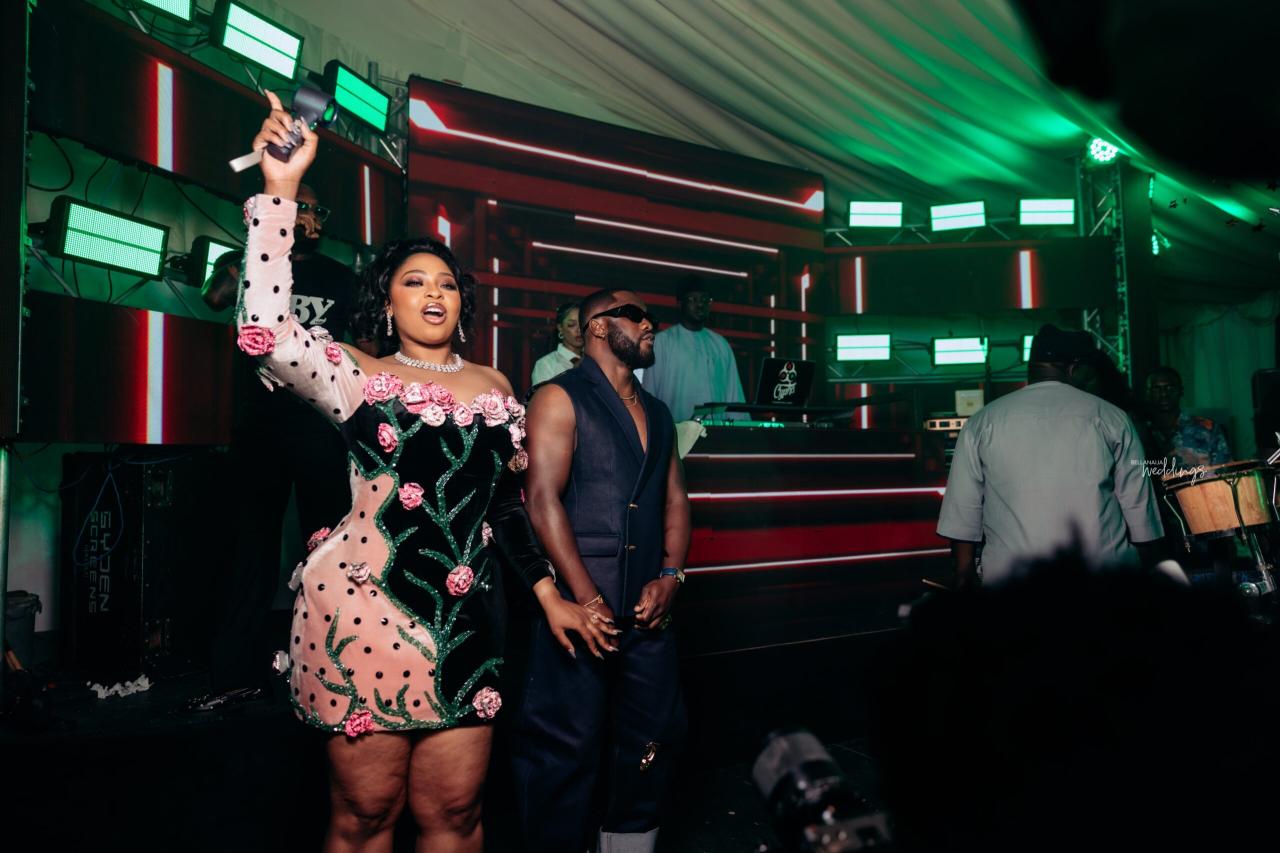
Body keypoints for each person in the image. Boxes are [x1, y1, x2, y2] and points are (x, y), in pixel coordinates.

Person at [236, 92, 612, 852]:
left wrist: (552, 597)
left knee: (457, 816)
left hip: (467, 624)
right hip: (364, 614)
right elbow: (267, 332)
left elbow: (505, 507)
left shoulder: (497, 387)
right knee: (366, 815)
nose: (433, 291)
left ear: (461, 305)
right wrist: (281, 191)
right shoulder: (357, 376)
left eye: (445, 282)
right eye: (414, 280)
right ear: (387, 300)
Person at [515, 288, 691, 853]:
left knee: (652, 740)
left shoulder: (658, 412)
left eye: (651, 318)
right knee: (565, 748)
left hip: (648, 614)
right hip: (578, 610)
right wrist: (586, 597)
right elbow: (541, 500)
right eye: (636, 316)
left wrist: (671, 576)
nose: (650, 325)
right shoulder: (558, 396)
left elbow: (676, 500)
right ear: (597, 327)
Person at [190, 181, 365, 711]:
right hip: (259, 428)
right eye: (299, 206)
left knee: (327, 550)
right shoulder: (248, 262)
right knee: (248, 552)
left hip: (322, 430)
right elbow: (213, 299)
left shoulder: (343, 277)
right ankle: (233, 676)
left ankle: (334, 671)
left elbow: (365, 349)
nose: (310, 216)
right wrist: (261, 247)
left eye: (316, 209)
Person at [937, 325, 1164, 588]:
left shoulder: (982, 421)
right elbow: (1138, 506)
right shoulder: (1111, 417)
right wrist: (1148, 572)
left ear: (1031, 367)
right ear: (1073, 369)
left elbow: (963, 508)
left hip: (1011, 579)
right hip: (1102, 574)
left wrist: (964, 572)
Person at [641, 274, 744, 421]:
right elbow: (649, 394)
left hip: (717, 432)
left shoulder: (721, 345)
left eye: (705, 299)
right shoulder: (662, 342)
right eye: (693, 299)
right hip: (675, 432)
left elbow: (734, 396)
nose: (700, 304)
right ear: (680, 304)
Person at [1142, 366, 1232, 468]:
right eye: (1156, 389)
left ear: (1181, 391)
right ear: (1147, 393)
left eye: (1170, 388)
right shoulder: (1139, 432)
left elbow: (1225, 471)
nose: (1164, 394)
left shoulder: (1208, 428)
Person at [530, 300, 584, 386]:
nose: (579, 330)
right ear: (560, 328)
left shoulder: (594, 361)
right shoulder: (545, 365)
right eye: (571, 325)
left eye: (582, 324)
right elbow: (542, 394)